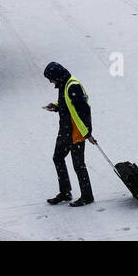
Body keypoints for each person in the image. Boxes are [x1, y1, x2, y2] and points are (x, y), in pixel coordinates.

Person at [43, 61, 95, 206]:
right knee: (57, 158)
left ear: (57, 75)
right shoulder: (63, 85)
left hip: (76, 133)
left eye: (51, 78)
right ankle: (65, 192)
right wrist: (56, 107)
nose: (50, 81)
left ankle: (87, 196)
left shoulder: (73, 86)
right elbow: (68, 105)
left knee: (79, 165)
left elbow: (84, 110)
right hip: (65, 131)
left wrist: (88, 133)